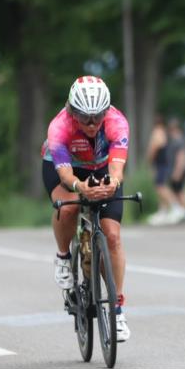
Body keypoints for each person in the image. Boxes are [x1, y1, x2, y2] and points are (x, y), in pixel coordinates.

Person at [40, 75, 132, 341]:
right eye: (85, 118)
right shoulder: (59, 126)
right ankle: (62, 257)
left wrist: (113, 182)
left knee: (112, 236)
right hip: (67, 168)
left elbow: (117, 167)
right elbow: (66, 175)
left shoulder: (117, 121)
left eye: (97, 117)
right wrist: (80, 188)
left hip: (102, 166)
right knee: (68, 208)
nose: (92, 125)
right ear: (72, 111)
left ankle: (117, 310)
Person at [146, 115, 185, 225]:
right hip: (163, 163)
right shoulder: (163, 131)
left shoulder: (158, 131)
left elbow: (156, 145)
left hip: (161, 163)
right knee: (160, 187)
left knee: (160, 187)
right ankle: (162, 212)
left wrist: (150, 157)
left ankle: (176, 207)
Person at [165, 117, 185, 221]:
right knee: (176, 191)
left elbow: (181, 156)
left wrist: (178, 171)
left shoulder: (178, 140)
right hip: (176, 169)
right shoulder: (176, 140)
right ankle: (182, 211)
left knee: (180, 191)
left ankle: (184, 212)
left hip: (179, 170)